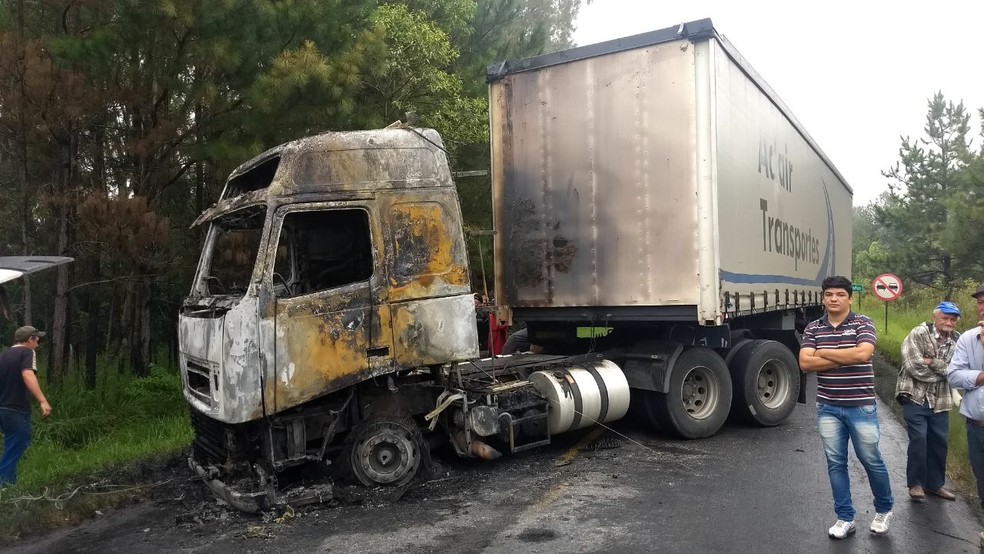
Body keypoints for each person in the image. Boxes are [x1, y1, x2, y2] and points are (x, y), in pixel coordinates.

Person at [799, 275, 893, 539]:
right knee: (835, 463)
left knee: (871, 460)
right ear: (822, 299)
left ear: (850, 298)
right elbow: (805, 363)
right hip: (827, 407)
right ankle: (845, 518)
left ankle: (884, 510)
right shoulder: (813, 328)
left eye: (840, 294)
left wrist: (822, 353)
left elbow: (863, 354)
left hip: (860, 406)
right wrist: (845, 357)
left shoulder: (864, 323)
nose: (834, 299)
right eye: (829, 295)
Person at [897, 301, 961, 502]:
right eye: (945, 318)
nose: (949, 322)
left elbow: (957, 369)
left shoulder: (958, 340)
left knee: (939, 442)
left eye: (953, 319)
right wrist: (945, 373)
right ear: (935, 316)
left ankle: (934, 485)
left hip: (940, 400)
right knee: (919, 439)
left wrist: (932, 361)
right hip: (914, 396)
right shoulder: (919, 333)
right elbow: (913, 366)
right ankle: (915, 484)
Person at [947, 285, 984, 513]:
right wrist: (980, 376)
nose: (983, 308)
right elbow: (953, 376)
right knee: (982, 477)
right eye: (980, 303)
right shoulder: (968, 339)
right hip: (976, 426)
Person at [0, 325, 52, 485]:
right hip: (16, 408)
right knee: (16, 445)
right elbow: (27, 374)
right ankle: (6, 486)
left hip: (2, 408)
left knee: (13, 443)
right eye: (37, 340)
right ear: (30, 339)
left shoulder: (4, 355)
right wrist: (43, 401)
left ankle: (8, 482)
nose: (38, 344)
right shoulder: (27, 352)